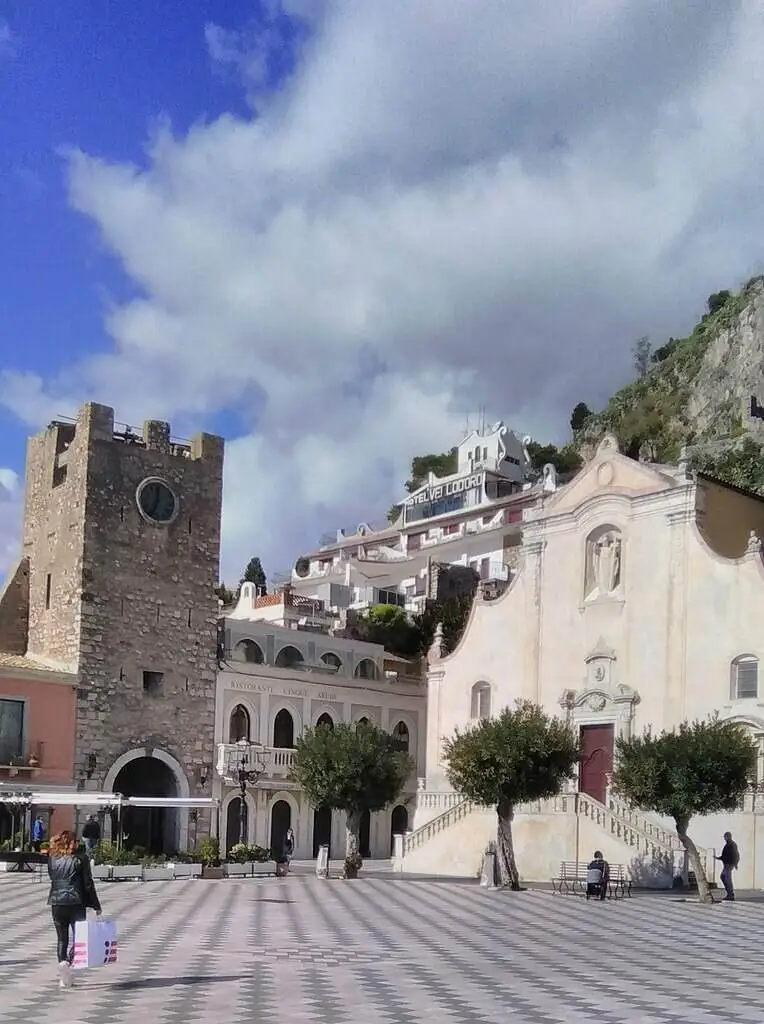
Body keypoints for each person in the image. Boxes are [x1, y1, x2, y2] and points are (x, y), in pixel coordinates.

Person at [47, 829, 102, 988]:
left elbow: (53, 878)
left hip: (56, 902)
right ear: (73, 842)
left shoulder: (52, 859)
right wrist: (96, 904)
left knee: (61, 938)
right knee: (80, 938)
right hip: (76, 902)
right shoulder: (81, 859)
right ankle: (68, 963)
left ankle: (62, 967)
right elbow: (88, 884)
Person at [717, 831, 740, 901]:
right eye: (724, 837)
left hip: (729, 864)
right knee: (723, 877)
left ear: (729, 837)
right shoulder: (728, 845)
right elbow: (725, 856)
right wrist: (719, 858)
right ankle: (729, 893)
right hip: (726, 864)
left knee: (728, 879)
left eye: (726, 837)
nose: (725, 838)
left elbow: (736, 855)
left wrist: (735, 864)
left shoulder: (732, 844)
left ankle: (730, 894)